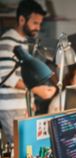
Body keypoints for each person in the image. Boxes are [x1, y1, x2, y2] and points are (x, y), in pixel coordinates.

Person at [0, 0, 56, 144]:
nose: (38, 28)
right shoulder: (8, 42)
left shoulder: (22, 42)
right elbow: (9, 78)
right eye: (35, 23)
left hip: (21, 106)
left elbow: (25, 75)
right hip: (10, 108)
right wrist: (38, 90)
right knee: (20, 149)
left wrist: (30, 100)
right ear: (21, 19)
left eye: (40, 24)